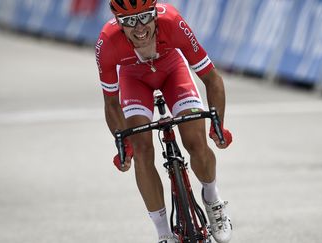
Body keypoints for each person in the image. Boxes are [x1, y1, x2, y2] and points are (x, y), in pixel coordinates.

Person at [95, 1, 233, 242]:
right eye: (128, 21)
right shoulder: (107, 42)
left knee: (196, 141)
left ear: (155, 15)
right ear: (117, 22)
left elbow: (212, 79)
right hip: (134, 80)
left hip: (172, 71)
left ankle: (213, 200)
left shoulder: (173, 22)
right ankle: (163, 234)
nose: (139, 28)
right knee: (141, 150)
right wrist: (123, 145)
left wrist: (217, 126)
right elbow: (111, 103)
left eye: (145, 18)